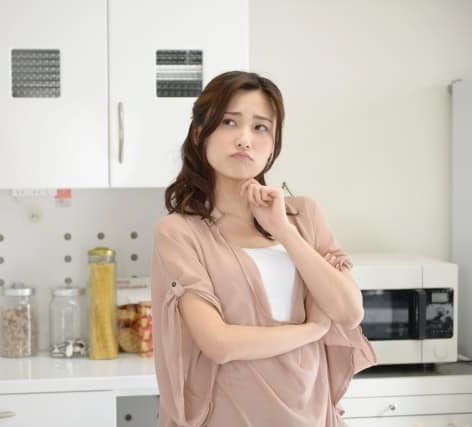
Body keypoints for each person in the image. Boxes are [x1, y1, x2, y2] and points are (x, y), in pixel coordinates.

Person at [151, 71, 376, 427]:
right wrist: (313, 329)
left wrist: (284, 231)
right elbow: (219, 343)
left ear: (273, 145)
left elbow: (349, 312)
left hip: (311, 414)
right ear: (200, 133)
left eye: (261, 128)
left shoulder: (304, 215)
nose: (244, 139)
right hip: (225, 416)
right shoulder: (179, 232)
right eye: (229, 122)